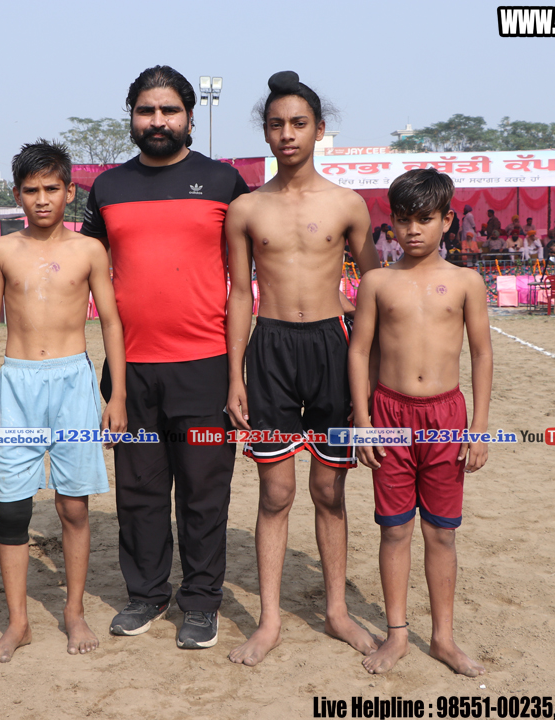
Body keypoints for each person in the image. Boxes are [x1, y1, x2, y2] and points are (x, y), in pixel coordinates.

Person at [80, 65, 250, 649]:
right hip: (131, 371)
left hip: (205, 368)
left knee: (204, 493)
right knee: (139, 493)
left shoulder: (224, 182)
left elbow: (251, 278)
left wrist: (238, 375)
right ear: (131, 118)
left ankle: (201, 603)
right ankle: (146, 594)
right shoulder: (107, 189)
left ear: (190, 117)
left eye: (169, 110)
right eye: (146, 111)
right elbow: (86, 275)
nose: (158, 121)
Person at [224, 71, 380, 667]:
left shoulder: (346, 204)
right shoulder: (245, 208)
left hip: (331, 349)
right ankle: (268, 621)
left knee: (328, 489)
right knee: (276, 491)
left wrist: (371, 367)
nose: (287, 134)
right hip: (269, 351)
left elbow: (375, 285)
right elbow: (240, 294)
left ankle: (336, 611)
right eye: (276, 124)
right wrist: (235, 375)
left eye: (298, 123)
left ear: (319, 129)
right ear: (265, 133)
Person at [0, 140, 127, 662]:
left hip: (73, 383)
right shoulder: (2, 251)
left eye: (51, 189)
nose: (42, 199)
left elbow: (111, 322)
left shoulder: (89, 251)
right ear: (17, 194)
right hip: (16, 384)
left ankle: (74, 611)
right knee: (12, 508)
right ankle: (18, 622)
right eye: (31, 190)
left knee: (73, 505)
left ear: (69, 191)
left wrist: (116, 395)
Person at [348, 167, 492, 677]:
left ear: (447, 221)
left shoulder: (467, 282)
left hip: (447, 417)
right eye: (404, 219)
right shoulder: (377, 282)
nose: (413, 230)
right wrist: (363, 421)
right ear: (391, 222)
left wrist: (479, 427)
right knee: (394, 531)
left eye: (425, 219)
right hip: (389, 414)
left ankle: (444, 638)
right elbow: (359, 351)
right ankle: (397, 634)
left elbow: (482, 353)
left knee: (441, 533)